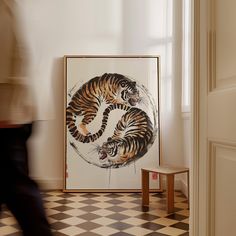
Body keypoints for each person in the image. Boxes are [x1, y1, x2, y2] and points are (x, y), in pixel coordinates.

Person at [0, 1, 53, 235]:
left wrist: (10, 109)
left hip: (8, 114)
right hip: (13, 111)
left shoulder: (8, 6)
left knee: (18, 189)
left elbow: (23, 53)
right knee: (16, 186)